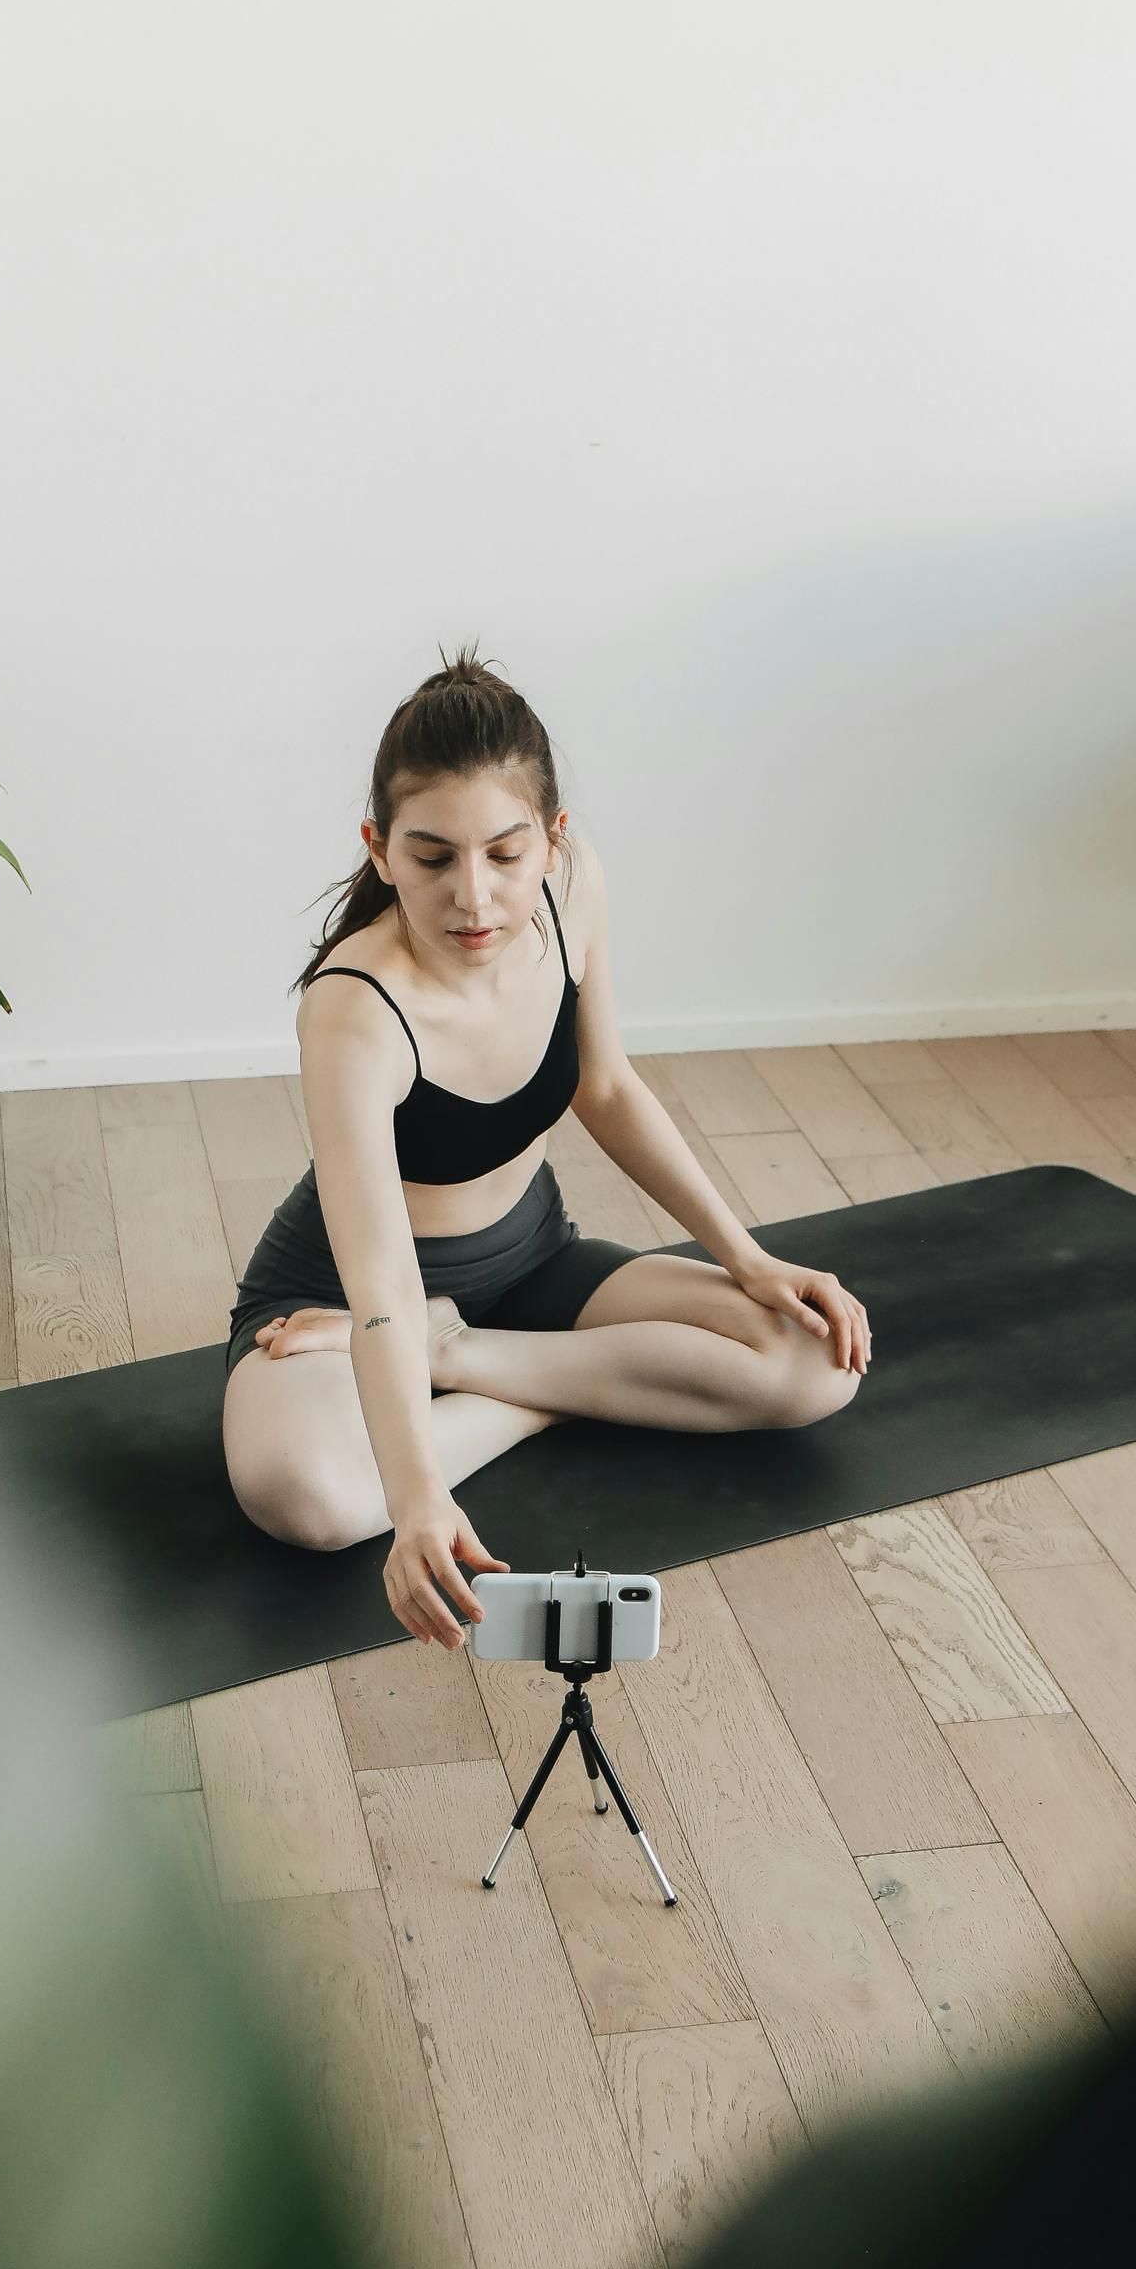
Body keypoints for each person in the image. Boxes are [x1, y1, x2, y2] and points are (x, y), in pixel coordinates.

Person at [220, 647, 872, 1651]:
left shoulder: (575, 889)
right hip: (346, 1301)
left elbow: (605, 1086)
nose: (473, 897)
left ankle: (474, 1362)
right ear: (380, 848)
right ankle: (567, 1393)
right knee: (306, 1495)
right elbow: (382, 1276)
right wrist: (419, 1501)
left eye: (505, 854)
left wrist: (746, 1256)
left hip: (531, 1264)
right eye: (431, 857)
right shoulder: (353, 1009)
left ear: (551, 839)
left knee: (811, 1363)